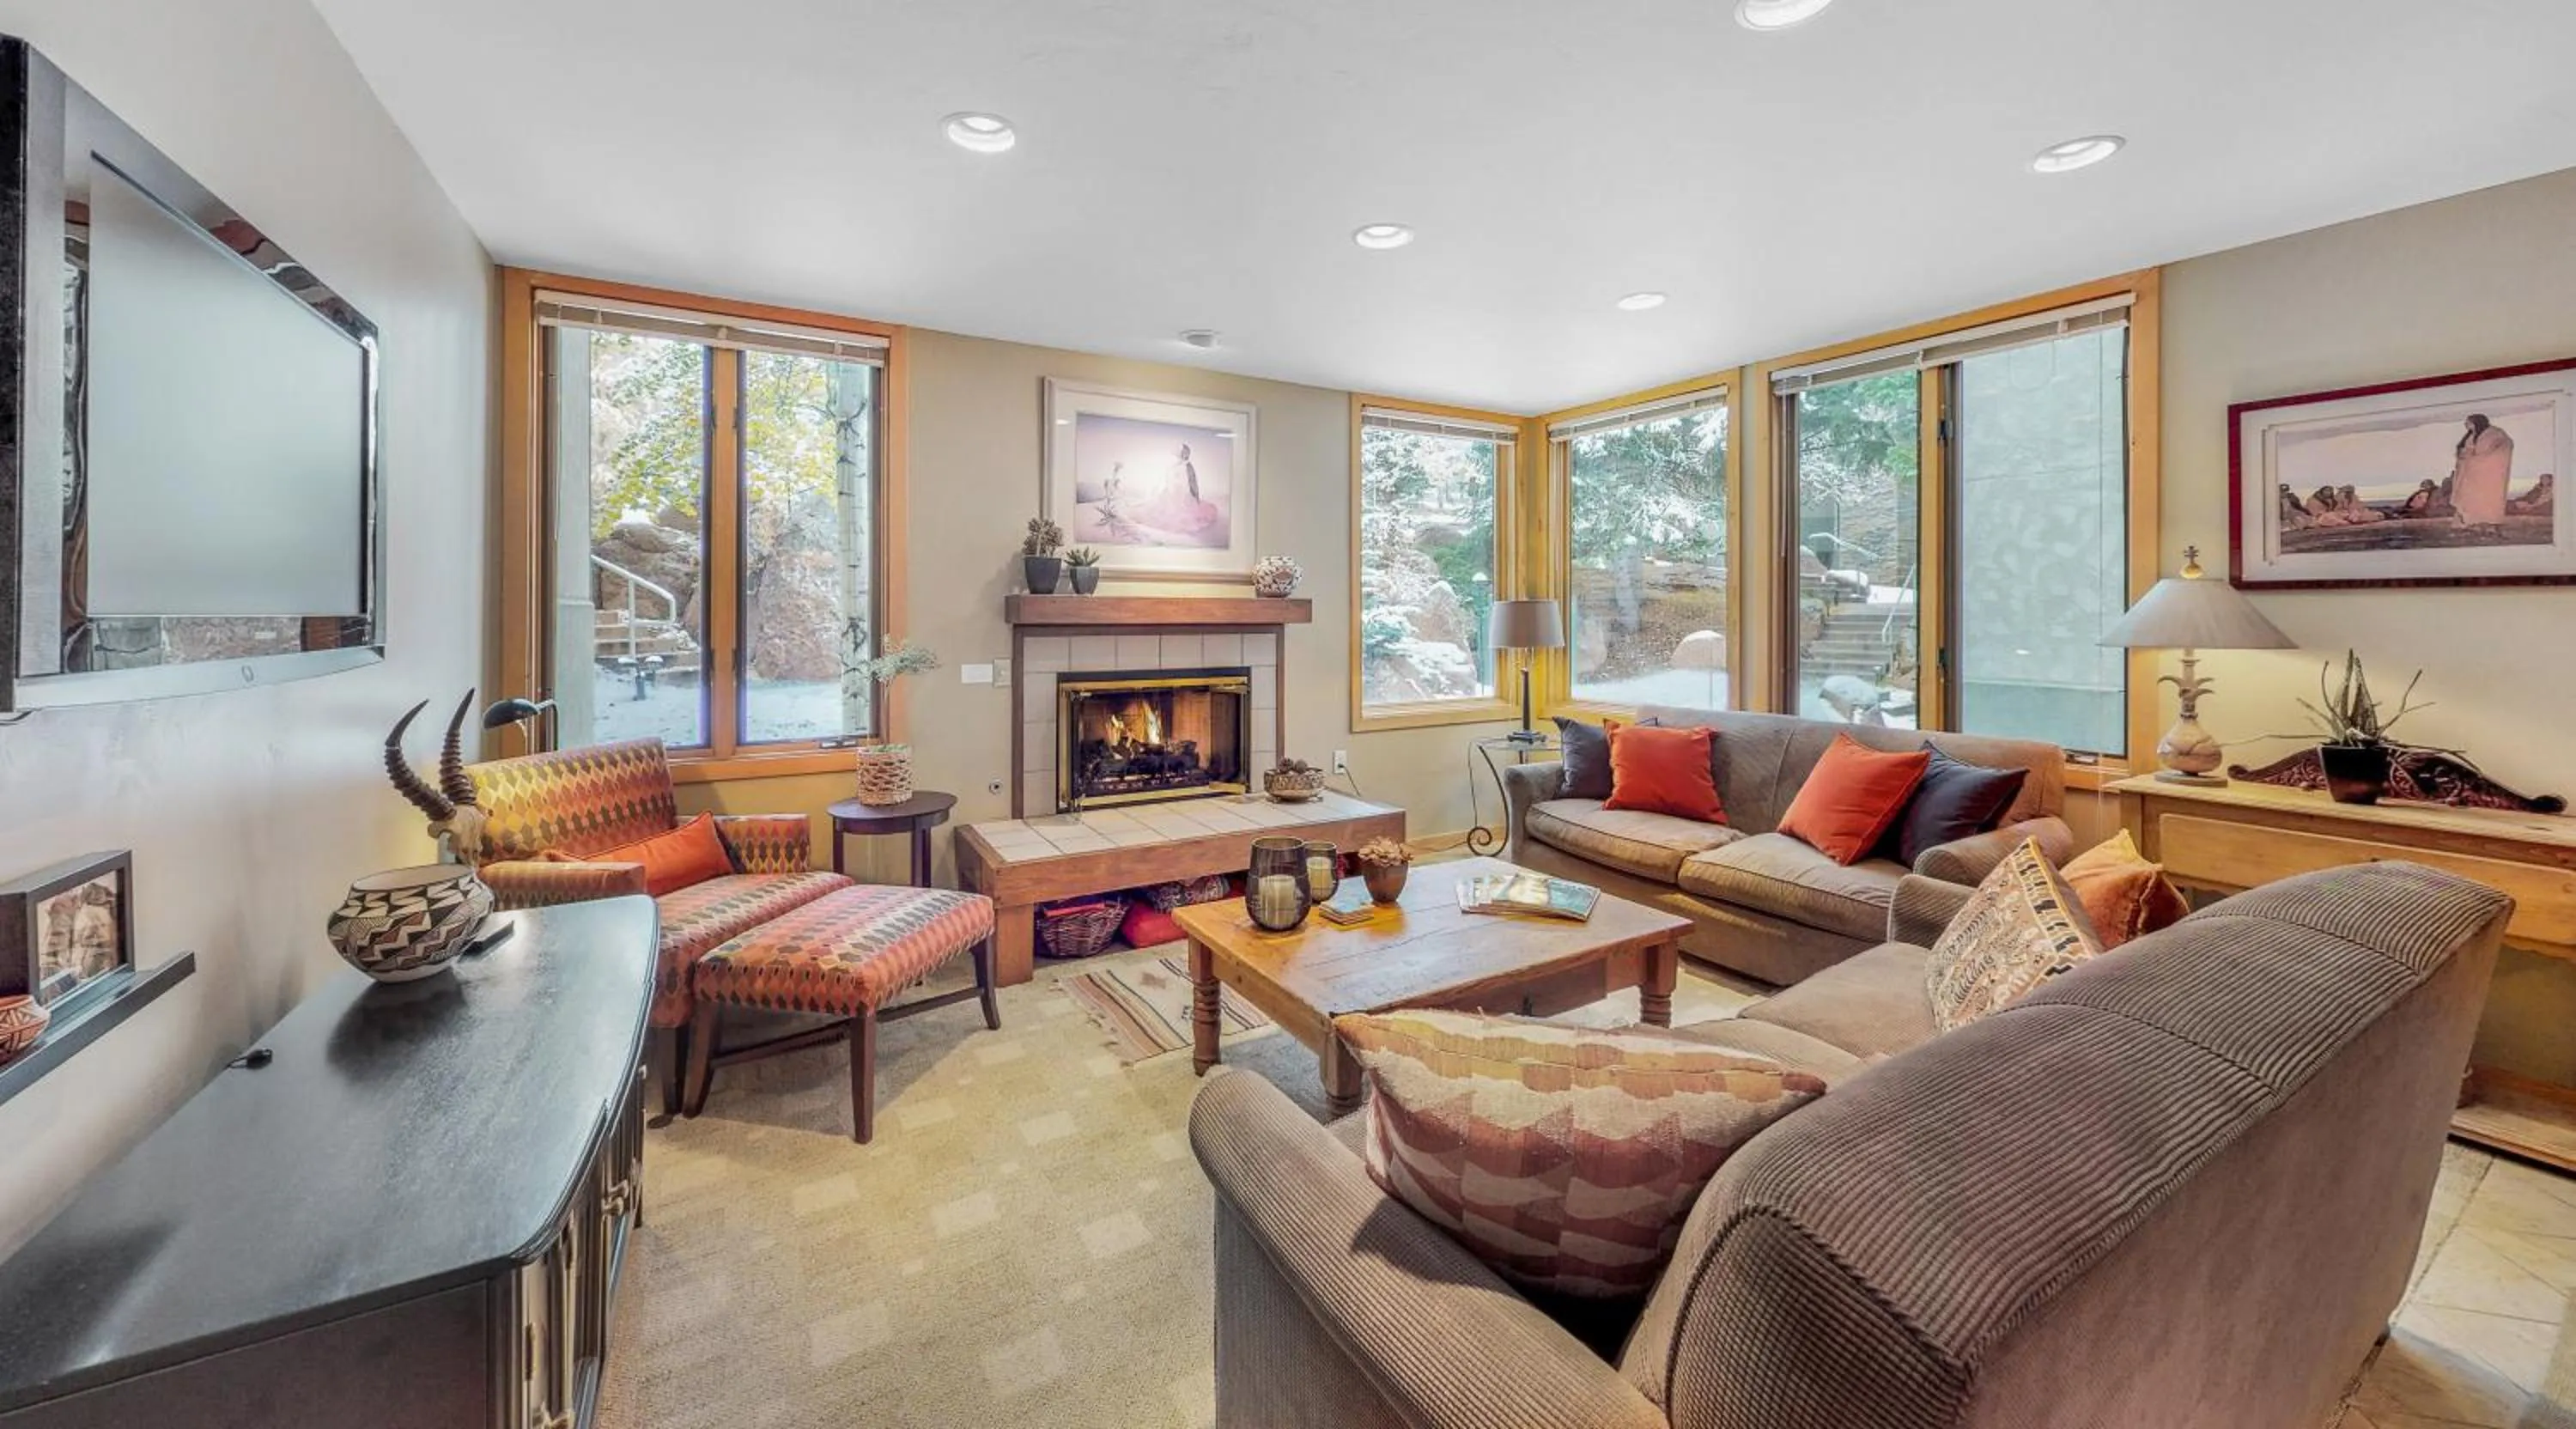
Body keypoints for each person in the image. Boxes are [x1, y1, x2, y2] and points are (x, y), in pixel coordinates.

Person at [2451, 414, 2514, 533]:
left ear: (2477, 422)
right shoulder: (2471, 435)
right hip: (2470, 474)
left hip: (2487, 474)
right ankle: (2470, 522)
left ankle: (2489, 525)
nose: (2466, 425)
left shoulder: (2495, 434)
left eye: (2469, 422)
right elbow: (2466, 450)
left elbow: (2497, 449)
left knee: (2486, 498)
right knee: (2469, 497)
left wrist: (2475, 457)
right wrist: (2464, 455)